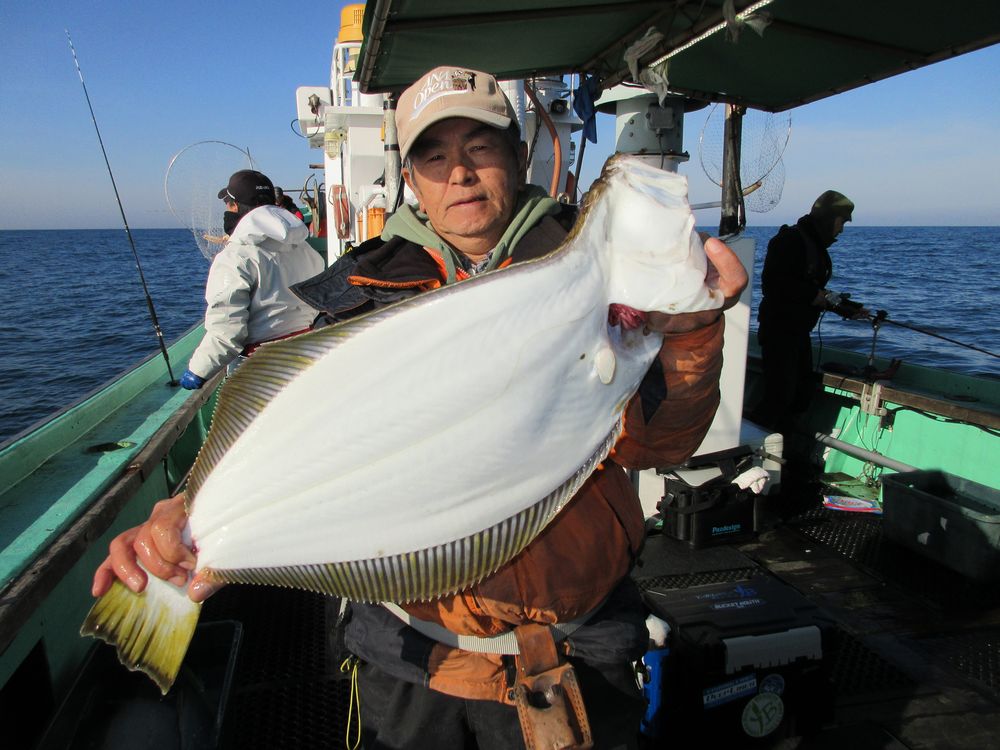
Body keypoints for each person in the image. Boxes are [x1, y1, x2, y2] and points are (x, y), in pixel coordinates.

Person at [93, 66, 747, 748]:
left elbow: (658, 447)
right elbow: (306, 443)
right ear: (413, 179)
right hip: (415, 666)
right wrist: (187, 521)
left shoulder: (592, 271)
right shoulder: (365, 291)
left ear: (518, 158)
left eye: (479, 148)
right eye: (434, 155)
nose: (458, 173)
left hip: (577, 650)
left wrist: (691, 327)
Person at [178, 169, 325, 389]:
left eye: (228, 204)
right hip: (306, 358)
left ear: (236, 207)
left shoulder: (235, 257)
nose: (227, 210)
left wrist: (197, 371)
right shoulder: (305, 250)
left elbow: (227, 331)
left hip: (260, 371)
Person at [752, 190, 867, 431]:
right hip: (779, 332)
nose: (842, 230)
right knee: (779, 397)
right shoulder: (789, 240)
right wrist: (819, 298)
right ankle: (753, 449)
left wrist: (845, 307)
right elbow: (775, 284)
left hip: (798, 334)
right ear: (829, 217)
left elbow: (810, 288)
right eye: (841, 222)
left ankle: (783, 448)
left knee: (802, 392)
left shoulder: (812, 244)